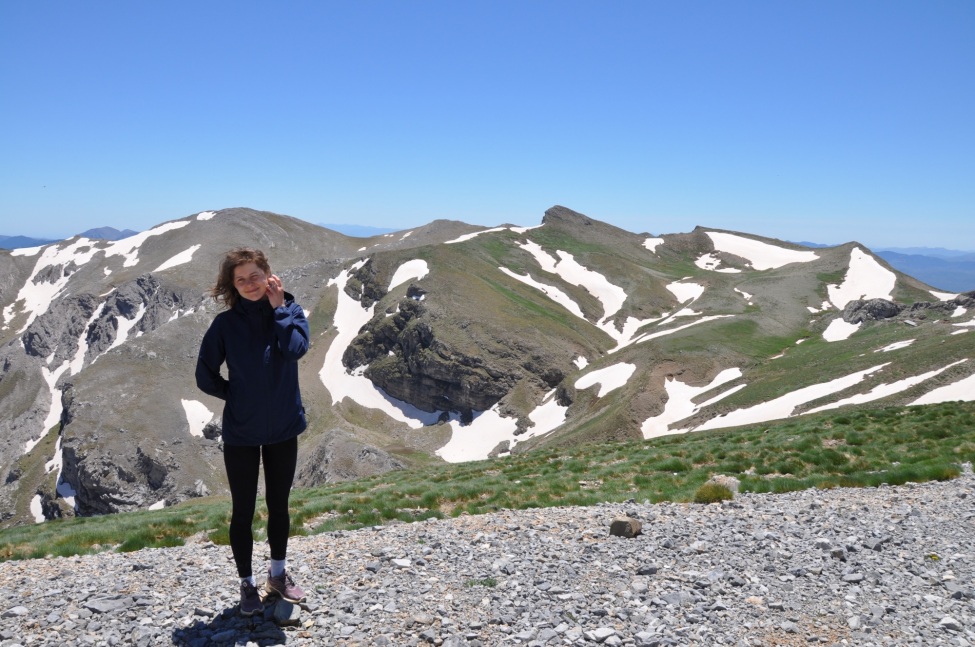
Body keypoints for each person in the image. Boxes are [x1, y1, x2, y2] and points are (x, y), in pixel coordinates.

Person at [195, 247, 310, 616]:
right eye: (240, 279)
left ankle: (277, 575)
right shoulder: (224, 325)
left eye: (254, 275)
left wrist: (278, 310)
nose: (248, 284)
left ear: (268, 275)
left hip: (283, 428)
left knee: (279, 505)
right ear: (232, 284)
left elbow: (294, 350)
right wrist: (236, 394)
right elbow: (204, 375)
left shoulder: (290, 312)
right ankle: (246, 585)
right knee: (242, 511)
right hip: (242, 432)